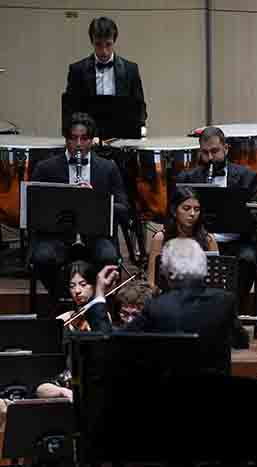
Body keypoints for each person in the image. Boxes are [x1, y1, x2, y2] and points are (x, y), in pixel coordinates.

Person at [87, 238, 245, 374]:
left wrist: (99, 294)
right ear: (205, 268)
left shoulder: (157, 308)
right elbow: (241, 341)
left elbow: (109, 344)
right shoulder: (225, 301)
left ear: (167, 273)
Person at [30, 112, 128, 310]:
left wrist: (95, 201)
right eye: (73, 138)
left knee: (108, 257)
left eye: (84, 139)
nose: (79, 144)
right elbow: (33, 209)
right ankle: (66, 300)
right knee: (42, 257)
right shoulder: (46, 168)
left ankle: (96, 302)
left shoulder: (107, 168)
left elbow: (124, 209)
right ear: (66, 139)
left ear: (92, 141)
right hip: (57, 236)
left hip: (96, 235)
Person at [176, 126, 257, 311]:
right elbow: (175, 212)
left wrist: (237, 210)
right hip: (199, 240)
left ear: (226, 148)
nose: (210, 158)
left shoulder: (247, 177)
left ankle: (232, 312)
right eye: (205, 153)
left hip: (237, 242)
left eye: (215, 151)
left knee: (248, 260)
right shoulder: (188, 178)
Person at [65, 16, 146, 128]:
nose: (104, 51)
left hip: (122, 135)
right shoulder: (77, 70)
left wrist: (137, 129)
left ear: (114, 41)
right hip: (88, 136)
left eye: (108, 44)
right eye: (98, 44)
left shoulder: (130, 70)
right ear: (92, 42)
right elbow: (70, 109)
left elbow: (140, 108)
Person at [147, 186, 218, 289]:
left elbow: (215, 280)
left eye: (196, 209)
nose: (192, 214)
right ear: (174, 211)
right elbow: (152, 281)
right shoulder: (160, 238)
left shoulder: (209, 239)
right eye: (186, 208)